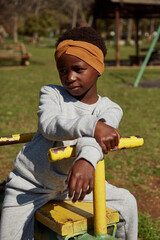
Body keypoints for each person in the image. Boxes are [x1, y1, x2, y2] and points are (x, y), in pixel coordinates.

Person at [0, 27, 138, 240]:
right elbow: (50, 124)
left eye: (78, 69)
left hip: (72, 186)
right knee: (10, 236)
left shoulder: (111, 109)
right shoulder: (52, 93)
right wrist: (93, 126)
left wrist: (86, 160)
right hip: (30, 185)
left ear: (98, 68)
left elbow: (100, 139)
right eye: (63, 70)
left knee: (127, 202)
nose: (70, 77)